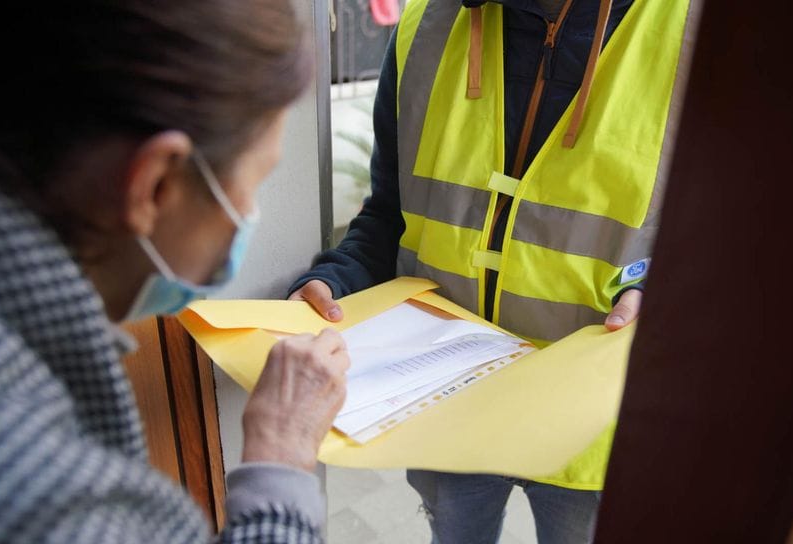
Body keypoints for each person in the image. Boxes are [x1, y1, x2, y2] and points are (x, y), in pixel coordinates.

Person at [0, 1, 349, 542]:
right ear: (153, 186)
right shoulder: (15, 482)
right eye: (253, 180)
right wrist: (280, 453)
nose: (247, 214)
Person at [290, 0, 693, 541]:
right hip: (446, 410)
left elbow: (737, 235)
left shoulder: (696, 31)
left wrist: (666, 293)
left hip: (593, 434)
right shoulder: (426, 25)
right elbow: (392, 212)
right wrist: (338, 277)